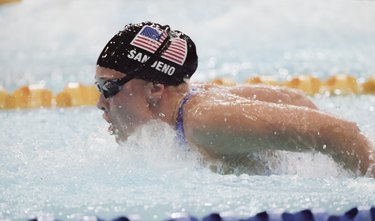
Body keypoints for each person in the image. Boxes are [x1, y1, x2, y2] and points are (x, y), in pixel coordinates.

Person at [95, 21, 375, 177]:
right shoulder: (185, 112)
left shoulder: (204, 122)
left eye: (109, 87)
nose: (100, 102)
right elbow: (290, 98)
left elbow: (340, 132)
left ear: (155, 88)